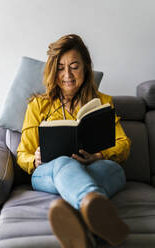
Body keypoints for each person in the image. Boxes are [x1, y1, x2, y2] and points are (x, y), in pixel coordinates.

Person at [17, 34, 131, 248]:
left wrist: (99, 156)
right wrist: (35, 159)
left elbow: (123, 144)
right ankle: (95, 208)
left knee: (115, 170)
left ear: (86, 68)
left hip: (93, 167)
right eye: (60, 67)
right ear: (53, 70)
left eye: (74, 66)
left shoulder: (102, 102)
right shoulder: (37, 105)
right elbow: (22, 153)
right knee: (64, 162)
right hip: (49, 172)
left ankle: (81, 225)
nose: (67, 75)